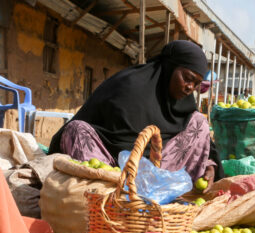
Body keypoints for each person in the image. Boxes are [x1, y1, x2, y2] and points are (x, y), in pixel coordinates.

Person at [48, 40, 223, 190]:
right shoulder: (130, 86)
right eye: (187, 78)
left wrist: (209, 165)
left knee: (199, 123)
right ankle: (111, 195)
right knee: (75, 130)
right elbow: (118, 141)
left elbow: (205, 146)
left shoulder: (183, 105)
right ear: (170, 66)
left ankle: (170, 195)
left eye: (196, 84)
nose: (190, 87)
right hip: (111, 166)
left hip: (156, 177)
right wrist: (131, 172)